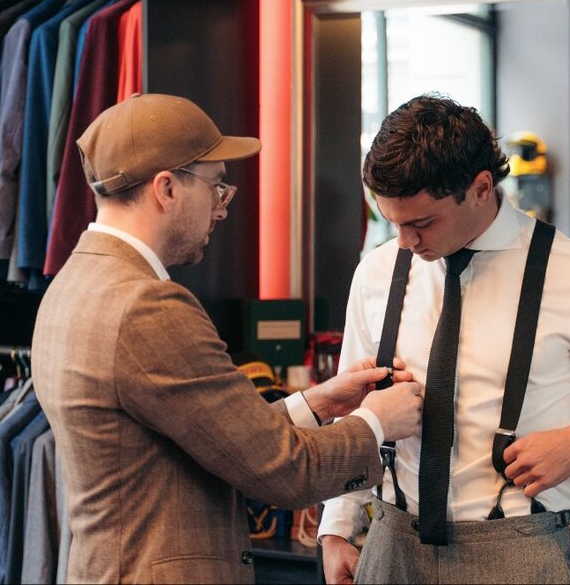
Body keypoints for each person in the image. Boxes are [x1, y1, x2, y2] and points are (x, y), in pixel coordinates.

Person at [31, 93, 424, 584]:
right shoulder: (148, 307)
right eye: (216, 187)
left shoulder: (72, 285)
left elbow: (205, 437)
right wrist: (376, 423)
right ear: (167, 189)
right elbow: (283, 471)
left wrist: (315, 403)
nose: (221, 208)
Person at [318, 94, 570, 584]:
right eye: (394, 223)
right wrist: (338, 526)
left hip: (520, 552)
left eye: (422, 223)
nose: (405, 241)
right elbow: (355, 412)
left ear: (481, 187)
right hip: (388, 546)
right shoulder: (378, 272)